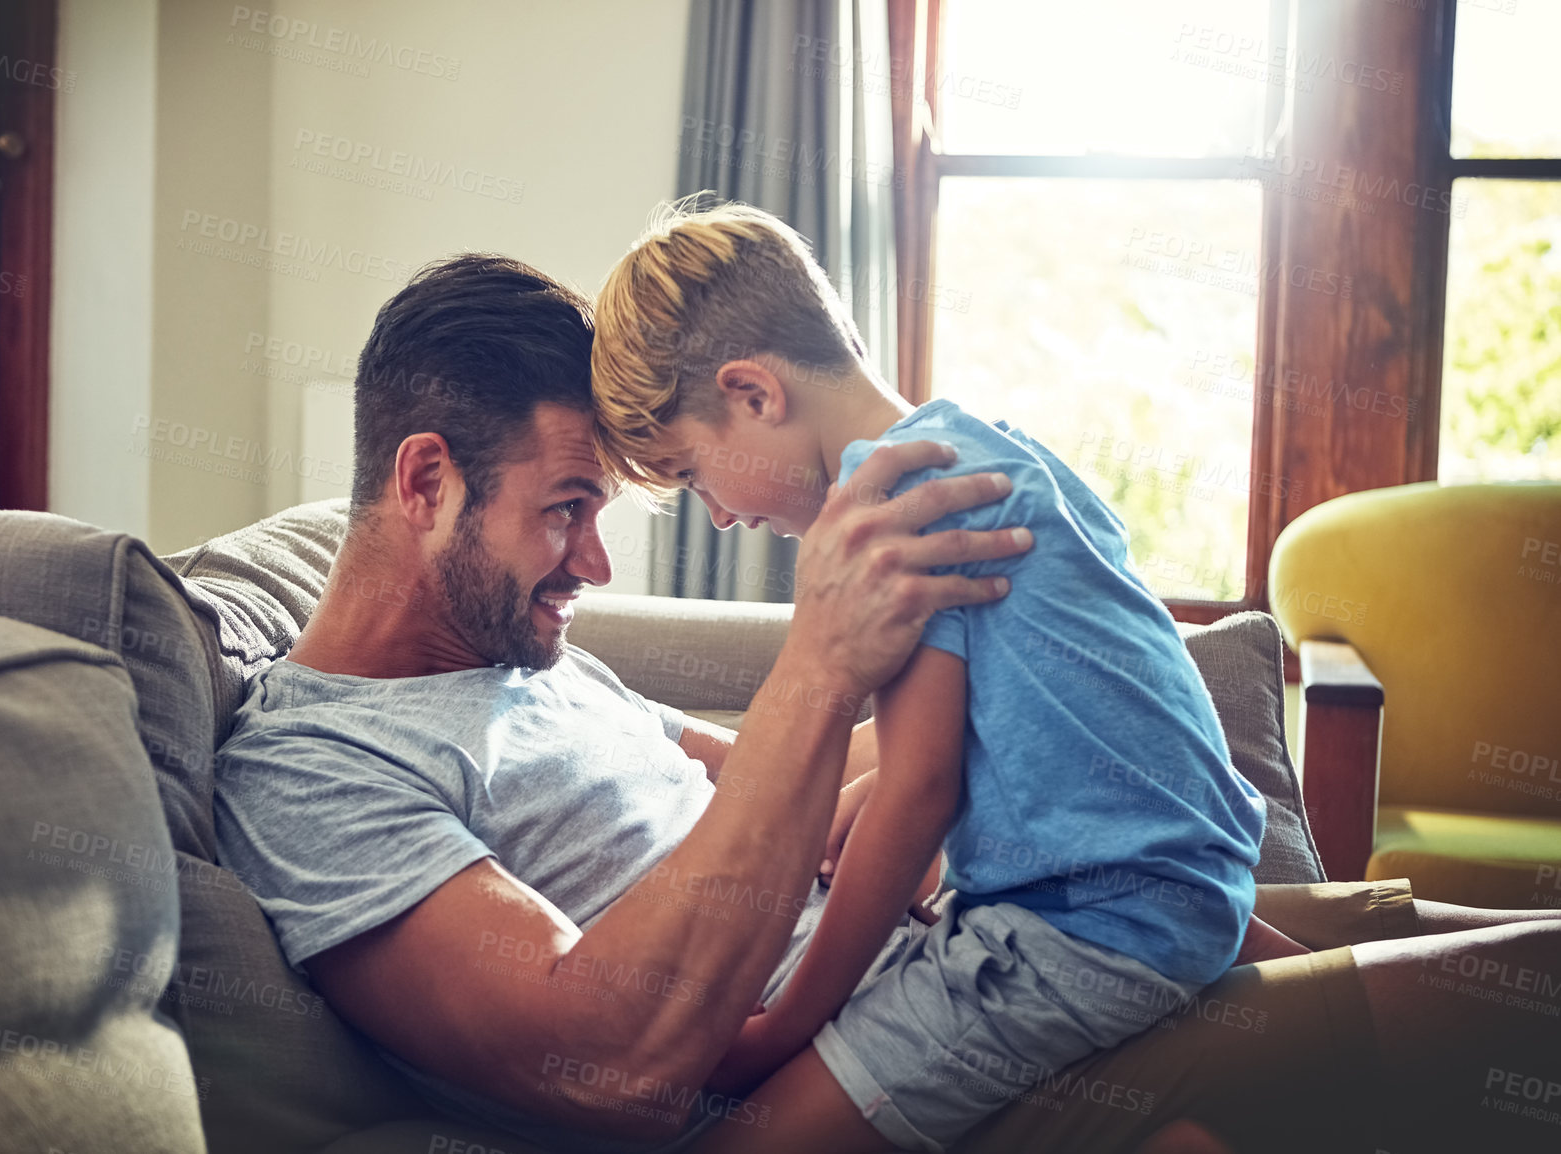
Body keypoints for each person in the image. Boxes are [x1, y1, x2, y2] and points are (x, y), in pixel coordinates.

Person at [215, 252, 1561, 1154]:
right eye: (567, 510)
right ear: (426, 482)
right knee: (1513, 997)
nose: (599, 561)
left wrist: (1002, 681)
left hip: (960, 944)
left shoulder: (535, 663)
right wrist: (823, 657)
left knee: (1466, 929)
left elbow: (800, 787)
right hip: (910, 1049)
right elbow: (601, 1053)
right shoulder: (314, 766)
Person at [586, 198, 1291, 1152]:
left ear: (753, 394)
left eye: (693, 471)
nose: (715, 515)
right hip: (1181, 889)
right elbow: (1010, 720)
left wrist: (781, 1030)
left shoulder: (890, 518)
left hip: (1082, 931)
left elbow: (922, 790)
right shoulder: (985, 446)